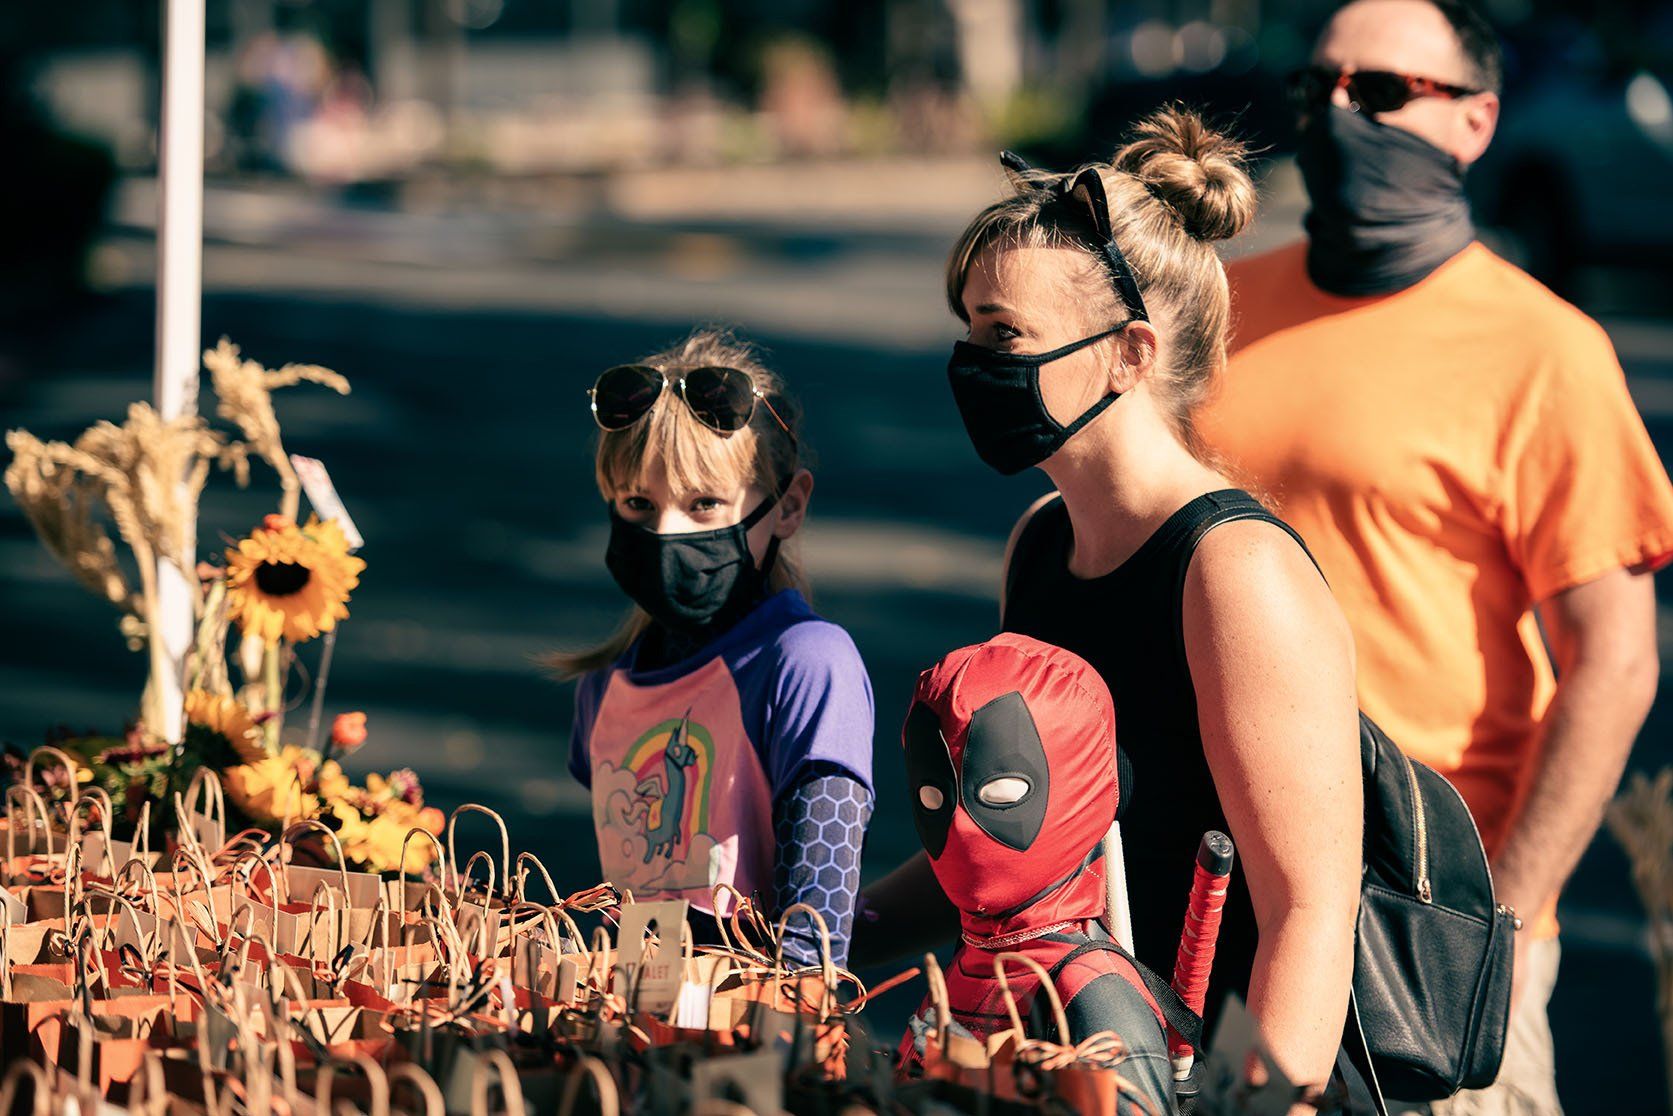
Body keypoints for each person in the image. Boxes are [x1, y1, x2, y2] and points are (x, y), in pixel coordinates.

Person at [1195, 2, 1673, 1111]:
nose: (1340, 114)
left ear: (1474, 121)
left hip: (1432, 921)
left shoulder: (1543, 350)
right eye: (1321, 90)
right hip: (1228, 901)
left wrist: (1501, 917)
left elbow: (1614, 661)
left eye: (1383, 92)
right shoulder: (1215, 316)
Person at [858, 106, 1365, 1105]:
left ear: (1131, 353)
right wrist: (823, 929)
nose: (973, 363)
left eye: (1004, 335)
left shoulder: (1233, 573)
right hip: (1070, 1069)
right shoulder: (1041, 543)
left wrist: (1245, 1103)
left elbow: (1308, 911)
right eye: (967, 329)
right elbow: (1016, 854)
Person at [553, 329, 875, 968]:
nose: (666, 531)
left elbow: (814, 936)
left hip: (747, 1042)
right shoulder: (606, 689)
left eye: (705, 504)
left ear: (787, 507)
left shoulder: (808, 665)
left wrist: (779, 1044)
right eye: (638, 504)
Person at [896, 633, 1177, 1114]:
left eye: (1003, 795)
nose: (962, 826)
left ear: (1078, 784)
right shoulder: (978, 955)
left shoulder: (1093, 994)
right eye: (934, 799)